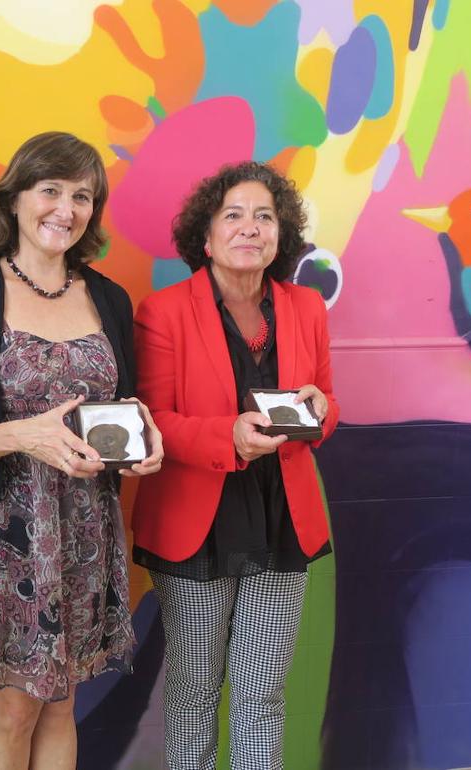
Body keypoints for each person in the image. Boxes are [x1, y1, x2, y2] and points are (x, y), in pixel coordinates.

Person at [0, 131, 163, 770]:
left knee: (61, 704)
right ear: (16, 198)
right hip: (2, 539)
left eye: (82, 196)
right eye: (51, 189)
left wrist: (142, 439)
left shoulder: (107, 297)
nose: (66, 208)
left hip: (83, 531)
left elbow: (118, 413)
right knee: (15, 711)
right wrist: (17, 435)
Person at [131, 161, 339, 770]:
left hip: (282, 522)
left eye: (265, 216)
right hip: (197, 523)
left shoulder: (306, 307)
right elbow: (154, 421)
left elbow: (326, 409)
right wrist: (231, 438)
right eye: (234, 215)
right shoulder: (164, 311)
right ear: (206, 236)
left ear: (282, 234)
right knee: (194, 693)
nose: (251, 228)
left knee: (262, 695)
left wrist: (321, 410)